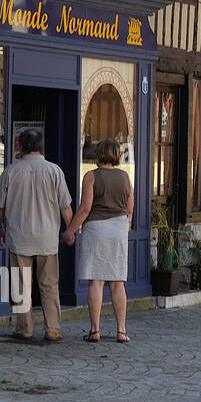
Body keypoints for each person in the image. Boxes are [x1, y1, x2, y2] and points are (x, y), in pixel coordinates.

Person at [0, 129, 74, 342]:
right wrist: (70, 230)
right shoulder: (54, 171)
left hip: (20, 237)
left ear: (20, 147)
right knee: (49, 284)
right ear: (41, 146)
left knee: (21, 284)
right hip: (47, 237)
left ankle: (24, 328)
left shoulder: (11, 171)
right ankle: (52, 328)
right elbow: (66, 206)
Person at [66, 139, 134, 343]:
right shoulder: (125, 178)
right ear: (116, 154)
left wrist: (70, 230)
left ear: (98, 153)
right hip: (119, 228)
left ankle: (95, 330)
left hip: (96, 228)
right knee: (117, 283)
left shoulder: (91, 177)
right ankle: (121, 331)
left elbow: (85, 208)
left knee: (96, 281)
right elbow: (130, 209)